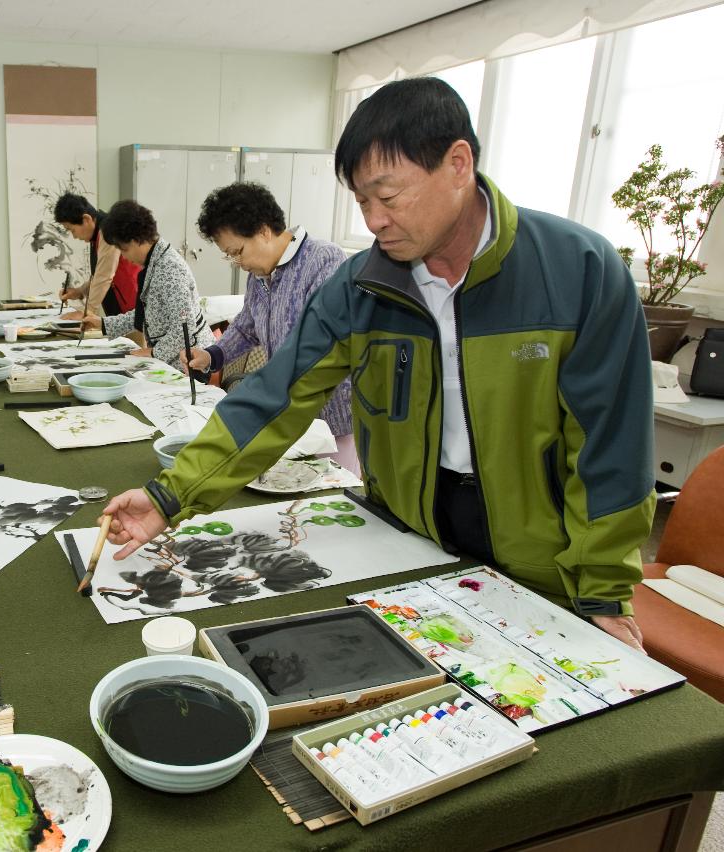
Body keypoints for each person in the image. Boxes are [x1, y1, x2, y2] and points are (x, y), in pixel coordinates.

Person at [100, 78, 654, 652]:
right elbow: (275, 397)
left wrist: (603, 594)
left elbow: (609, 447)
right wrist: (171, 495)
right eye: (362, 201)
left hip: (542, 565)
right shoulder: (361, 286)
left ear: (458, 163)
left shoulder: (577, 271)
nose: (373, 221)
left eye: (388, 197)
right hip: (406, 541)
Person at [186, 182, 356, 470]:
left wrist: (259, 390)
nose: (237, 263)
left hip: (332, 422)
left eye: (237, 251)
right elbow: (245, 326)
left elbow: (319, 346)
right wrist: (211, 356)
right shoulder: (260, 274)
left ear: (264, 230)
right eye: (230, 255)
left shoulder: (322, 260)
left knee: (327, 501)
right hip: (289, 418)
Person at [80, 200, 213, 366]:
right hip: (172, 358)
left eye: (124, 249)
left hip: (189, 364)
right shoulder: (155, 262)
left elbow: (183, 328)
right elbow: (147, 313)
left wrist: (153, 352)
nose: (125, 257)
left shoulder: (168, 268)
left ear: (136, 240)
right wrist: (103, 323)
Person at [52, 193, 139, 319]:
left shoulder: (108, 231)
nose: (74, 236)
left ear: (86, 219)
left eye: (72, 230)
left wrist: (87, 312)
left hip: (132, 313)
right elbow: (99, 275)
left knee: (134, 339)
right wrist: (79, 291)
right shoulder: (96, 235)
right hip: (123, 314)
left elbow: (104, 276)